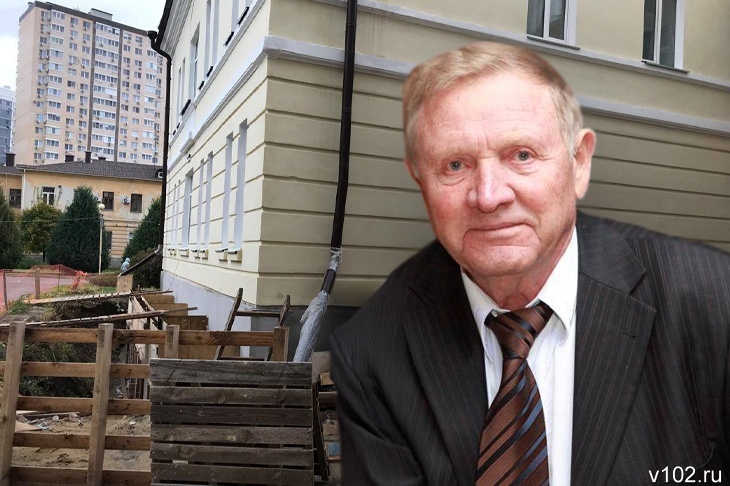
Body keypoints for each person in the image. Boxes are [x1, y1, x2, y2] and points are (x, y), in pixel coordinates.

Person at [330, 41, 730, 486]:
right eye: (455, 164)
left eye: (521, 155)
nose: (489, 196)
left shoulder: (712, 304)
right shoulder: (372, 352)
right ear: (420, 179)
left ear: (579, 163)